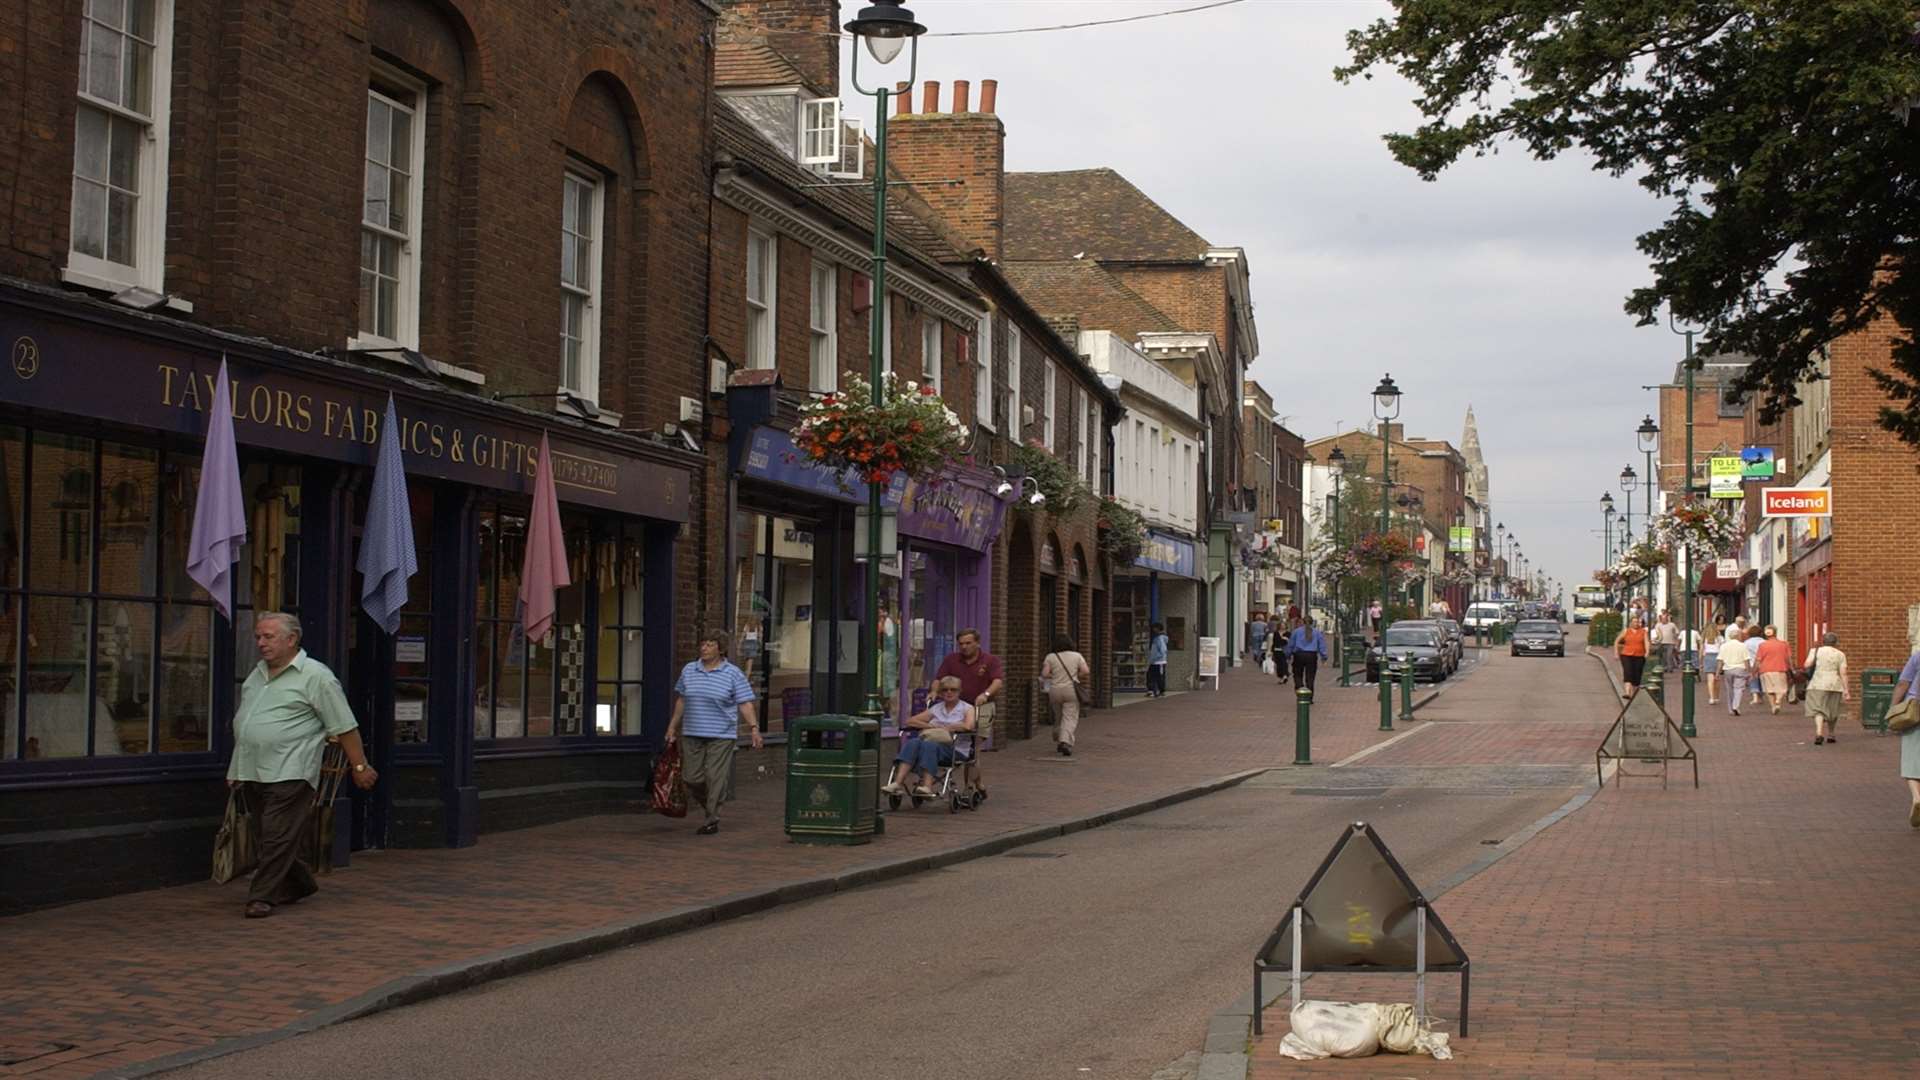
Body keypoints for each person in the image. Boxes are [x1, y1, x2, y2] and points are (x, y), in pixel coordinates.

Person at [226, 612, 378, 919]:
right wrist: (234, 769)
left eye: (268, 637)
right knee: (264, 834)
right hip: (252, 769)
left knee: (276, 835)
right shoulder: (257, 674)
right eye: (258, 637)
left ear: (292, 639)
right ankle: (300, 882)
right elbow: (246, 724)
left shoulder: (316, 676)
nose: (260, 643)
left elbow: (345, 725)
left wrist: (359, 767)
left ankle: (261, 896)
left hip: (291, 768)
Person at [666, 629, 761, 836]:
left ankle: (712, 818)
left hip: (722, 734)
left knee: (714, 776)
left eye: (710, 644)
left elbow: (745, 703)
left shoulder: (732, 673)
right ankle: (712, 802)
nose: (704, 648)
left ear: (721, 649)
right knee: (691, 777)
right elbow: (682, 700)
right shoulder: (689, 670)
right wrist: (672, 726)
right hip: (692, 732)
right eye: (702, 644)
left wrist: (754, 729)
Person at [931, 628, 1003, 795]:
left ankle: (968, 787)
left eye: (968, 643)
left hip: (981, 707)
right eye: (961, 644)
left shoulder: (990, 660)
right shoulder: (951, 660)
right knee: (968, 750)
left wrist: (985, 694)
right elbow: (939, 679)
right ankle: (979, 784)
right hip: (958, 707)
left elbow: (997, 681)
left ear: (977, 643)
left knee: (973, 746)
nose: (964, 647)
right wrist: (934, 691)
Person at [882, 676, 976, 797]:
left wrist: (948, 727)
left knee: (929, 745)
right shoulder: (936, 708)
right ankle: (897, 783)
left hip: (955, 750)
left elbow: (968, 726)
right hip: (932, 745)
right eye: (945, 689)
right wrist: (930, 727)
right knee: (913, 742)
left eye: (953, 689)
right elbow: (910, 721)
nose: (949, 692)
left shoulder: (967, 708)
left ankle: (927, 786)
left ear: (959, 691)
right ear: (940, 692)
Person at [1042, 635, 1092, 756]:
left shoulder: (1051, 656)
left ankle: (1057, 733)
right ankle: (1064, 741)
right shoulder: (1077, 656)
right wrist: (1076, 676)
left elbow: (1044, 674)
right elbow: (1086, 671)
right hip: (1071, 690)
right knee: (1069, 717)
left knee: (1058, 715)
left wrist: (1055, 676)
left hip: (1054, 690)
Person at [1802, 632, 1850, 746]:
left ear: (1823, 641)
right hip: (1834, 684)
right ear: (1836, 642)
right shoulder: (1840, 654)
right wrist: (1846, 690)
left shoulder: (1815, 651)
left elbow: (1806, 665)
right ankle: (1831, 734)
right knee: (1832, 710)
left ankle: (1819, 732)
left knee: (1818, 709)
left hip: (1817, 683)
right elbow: (1843, 673)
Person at [1892, 647, 1920, 828]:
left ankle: (1918, 798)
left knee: (1911, 758)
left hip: (1914, 709)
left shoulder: (1918, 656)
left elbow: (1903, 683)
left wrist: (1893, 707)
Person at [1753, 625, 1792, 714]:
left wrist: (1754, 671)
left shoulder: (1762, 645)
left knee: (1769, 690)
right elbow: (1788, 658)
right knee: (1781, 688)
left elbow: (1758, 659)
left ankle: (1773, 706)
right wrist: (1791, 667)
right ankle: (1778, 700)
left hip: (1765, 670)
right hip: (1780, 668)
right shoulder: (1784, 644)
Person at [1287, 616, 1329, 692]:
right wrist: (1324, 656)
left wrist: (1288, 655)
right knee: (1310, 676)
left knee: (1297, 674)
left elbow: (1291, 644)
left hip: (1299, 655)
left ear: (1302, 622)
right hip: (1311, 655)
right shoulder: (1317, 632)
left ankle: (1299, 688)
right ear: (1312, 622)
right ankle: (1309, 695)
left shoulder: (1296, 631)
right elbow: (1321, 645)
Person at [1718, 626, 1753, 717]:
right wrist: (1749, 671)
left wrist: (1717, 672)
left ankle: (1730, 709)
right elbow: (1746, 660)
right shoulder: (1743, 646)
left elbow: (1720, 660)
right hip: (1740, 669)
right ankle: (1736, 706)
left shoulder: (1724, 646)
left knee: (1729, 690)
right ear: (1738, 636)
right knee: (1738, 689)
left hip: (1728, 669)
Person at [1613, 615, 1649, 700]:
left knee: (1637, 675)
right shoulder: (1626, 631)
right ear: (1631, 623)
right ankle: (1627, 692)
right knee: (1628, 672)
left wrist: (1647, 652)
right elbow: (1617, 641)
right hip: (1626, 654)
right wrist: (1616, 652)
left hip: (1639, 655)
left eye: (1638, 622)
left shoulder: (1643, 631)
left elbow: (1646, 642)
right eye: (1635, 622)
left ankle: (1634, 694)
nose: (1636, 624)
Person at [1146, 622, 1170, 697]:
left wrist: (1155, 658)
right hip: (1155, 661)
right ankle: (1152, 690)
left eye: (1154, 628)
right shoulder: (1158, 637)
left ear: (1157, 628)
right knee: (1151, 675)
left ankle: (1160, 691)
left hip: (1159, 661)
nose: (1153, 629)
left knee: (1157, 676)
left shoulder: (1160, 638)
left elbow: (1163, 650)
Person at [1700, 625, 1723, 706]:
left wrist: (1701, 662)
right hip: (1718, 656)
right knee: (1717, 678)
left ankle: (1711, 698)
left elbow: (1701, 650)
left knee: (1710, 679)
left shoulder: (1704, 639)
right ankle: (1716, 697)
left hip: (1708, 657)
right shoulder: (1720, 638)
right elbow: (1722, 648)